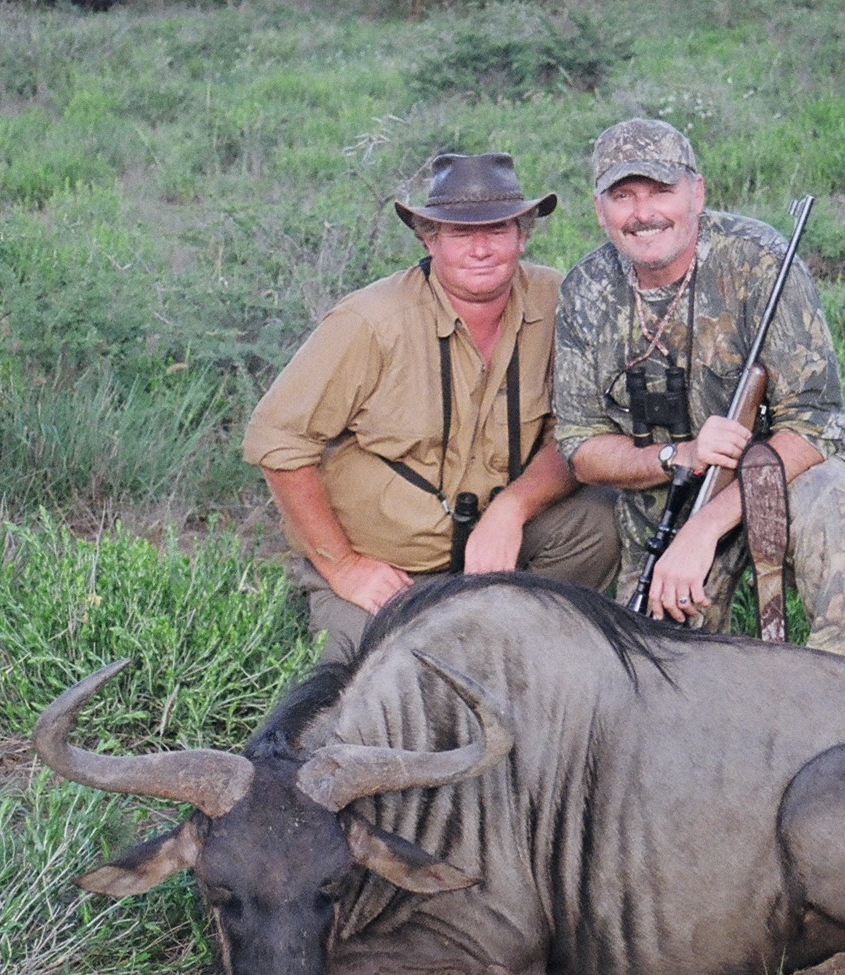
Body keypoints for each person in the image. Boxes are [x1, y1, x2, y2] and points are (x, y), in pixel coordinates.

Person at [554, 118, 845, 665]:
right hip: (666, 497)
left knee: (832, 503)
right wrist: (681, 457)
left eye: (662, 191)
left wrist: (704, 530)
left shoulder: (760, 260)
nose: (644, 213)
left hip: (786, 476)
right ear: (600, 209)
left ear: (698, 193)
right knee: (651, 666)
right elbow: (582, 448)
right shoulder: (586, 290)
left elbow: (817, 425)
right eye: (623, 196)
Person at [244, 152, 619, 662]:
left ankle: (526, 653)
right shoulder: (370, 321)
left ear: (523, 235)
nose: (482, 249)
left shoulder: (557, 299)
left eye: (498, 229)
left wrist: (512, 509)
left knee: (600, 523)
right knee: (361, 683)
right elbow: (277, 441)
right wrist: (345, 566)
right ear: (429, 238)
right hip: (388, 566)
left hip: (495, 548)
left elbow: (572, 428)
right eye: (461, 234)